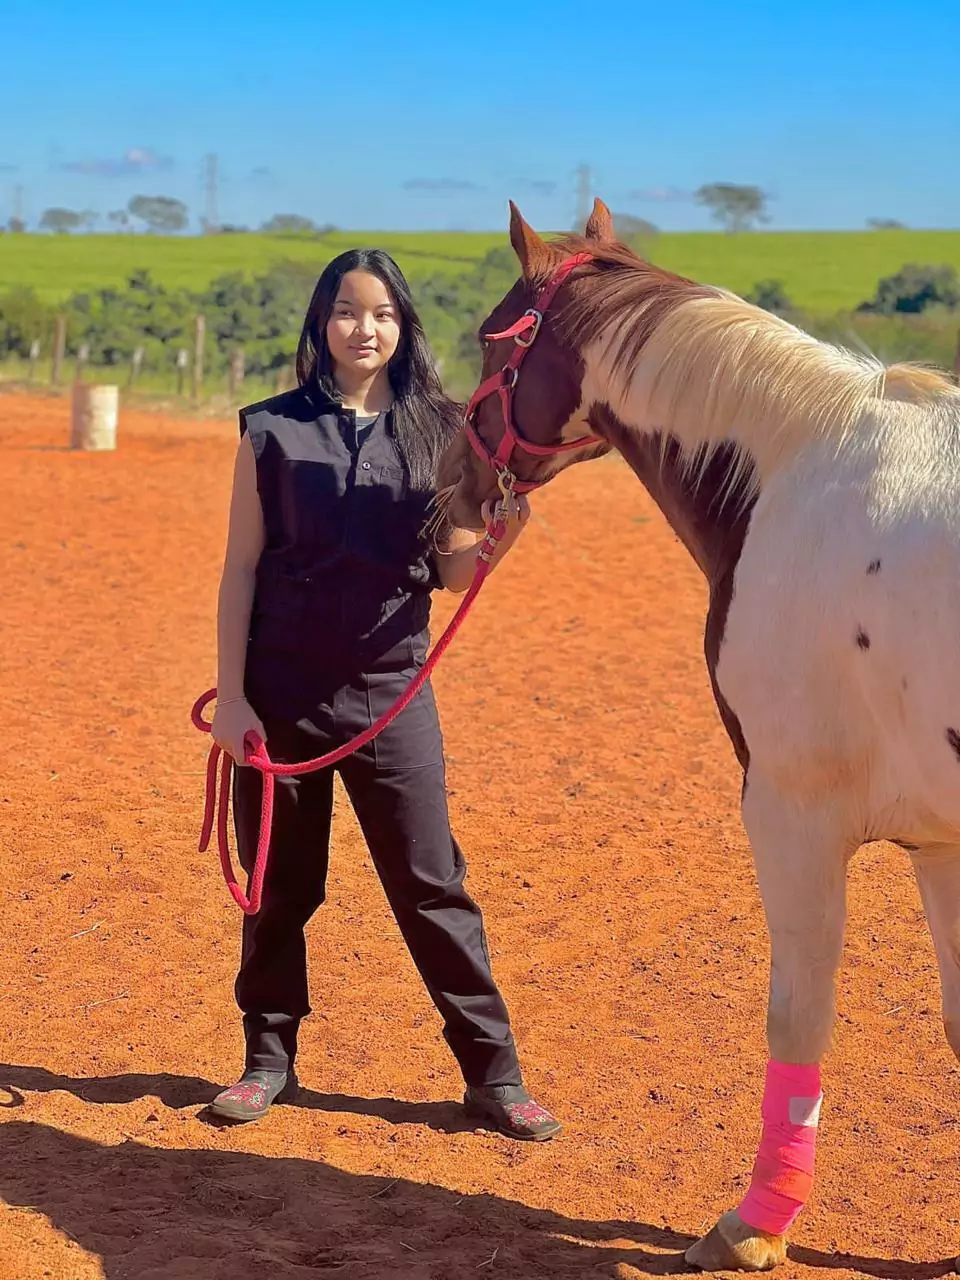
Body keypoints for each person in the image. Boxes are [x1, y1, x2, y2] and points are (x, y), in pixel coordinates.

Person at [206, 248, 561, 1141]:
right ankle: (267, 1060)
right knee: (278, 887)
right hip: (279, 697)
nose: (363, 328)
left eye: (382, 313)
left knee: (432, 884)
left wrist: (502, 538)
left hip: (391, 694)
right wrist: (235, 701)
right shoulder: (269, 430)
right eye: (346, 311)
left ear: (403, 326)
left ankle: (494, 1075)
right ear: (321, 322)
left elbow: (451, 569)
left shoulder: (442, 430)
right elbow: (241, 567)